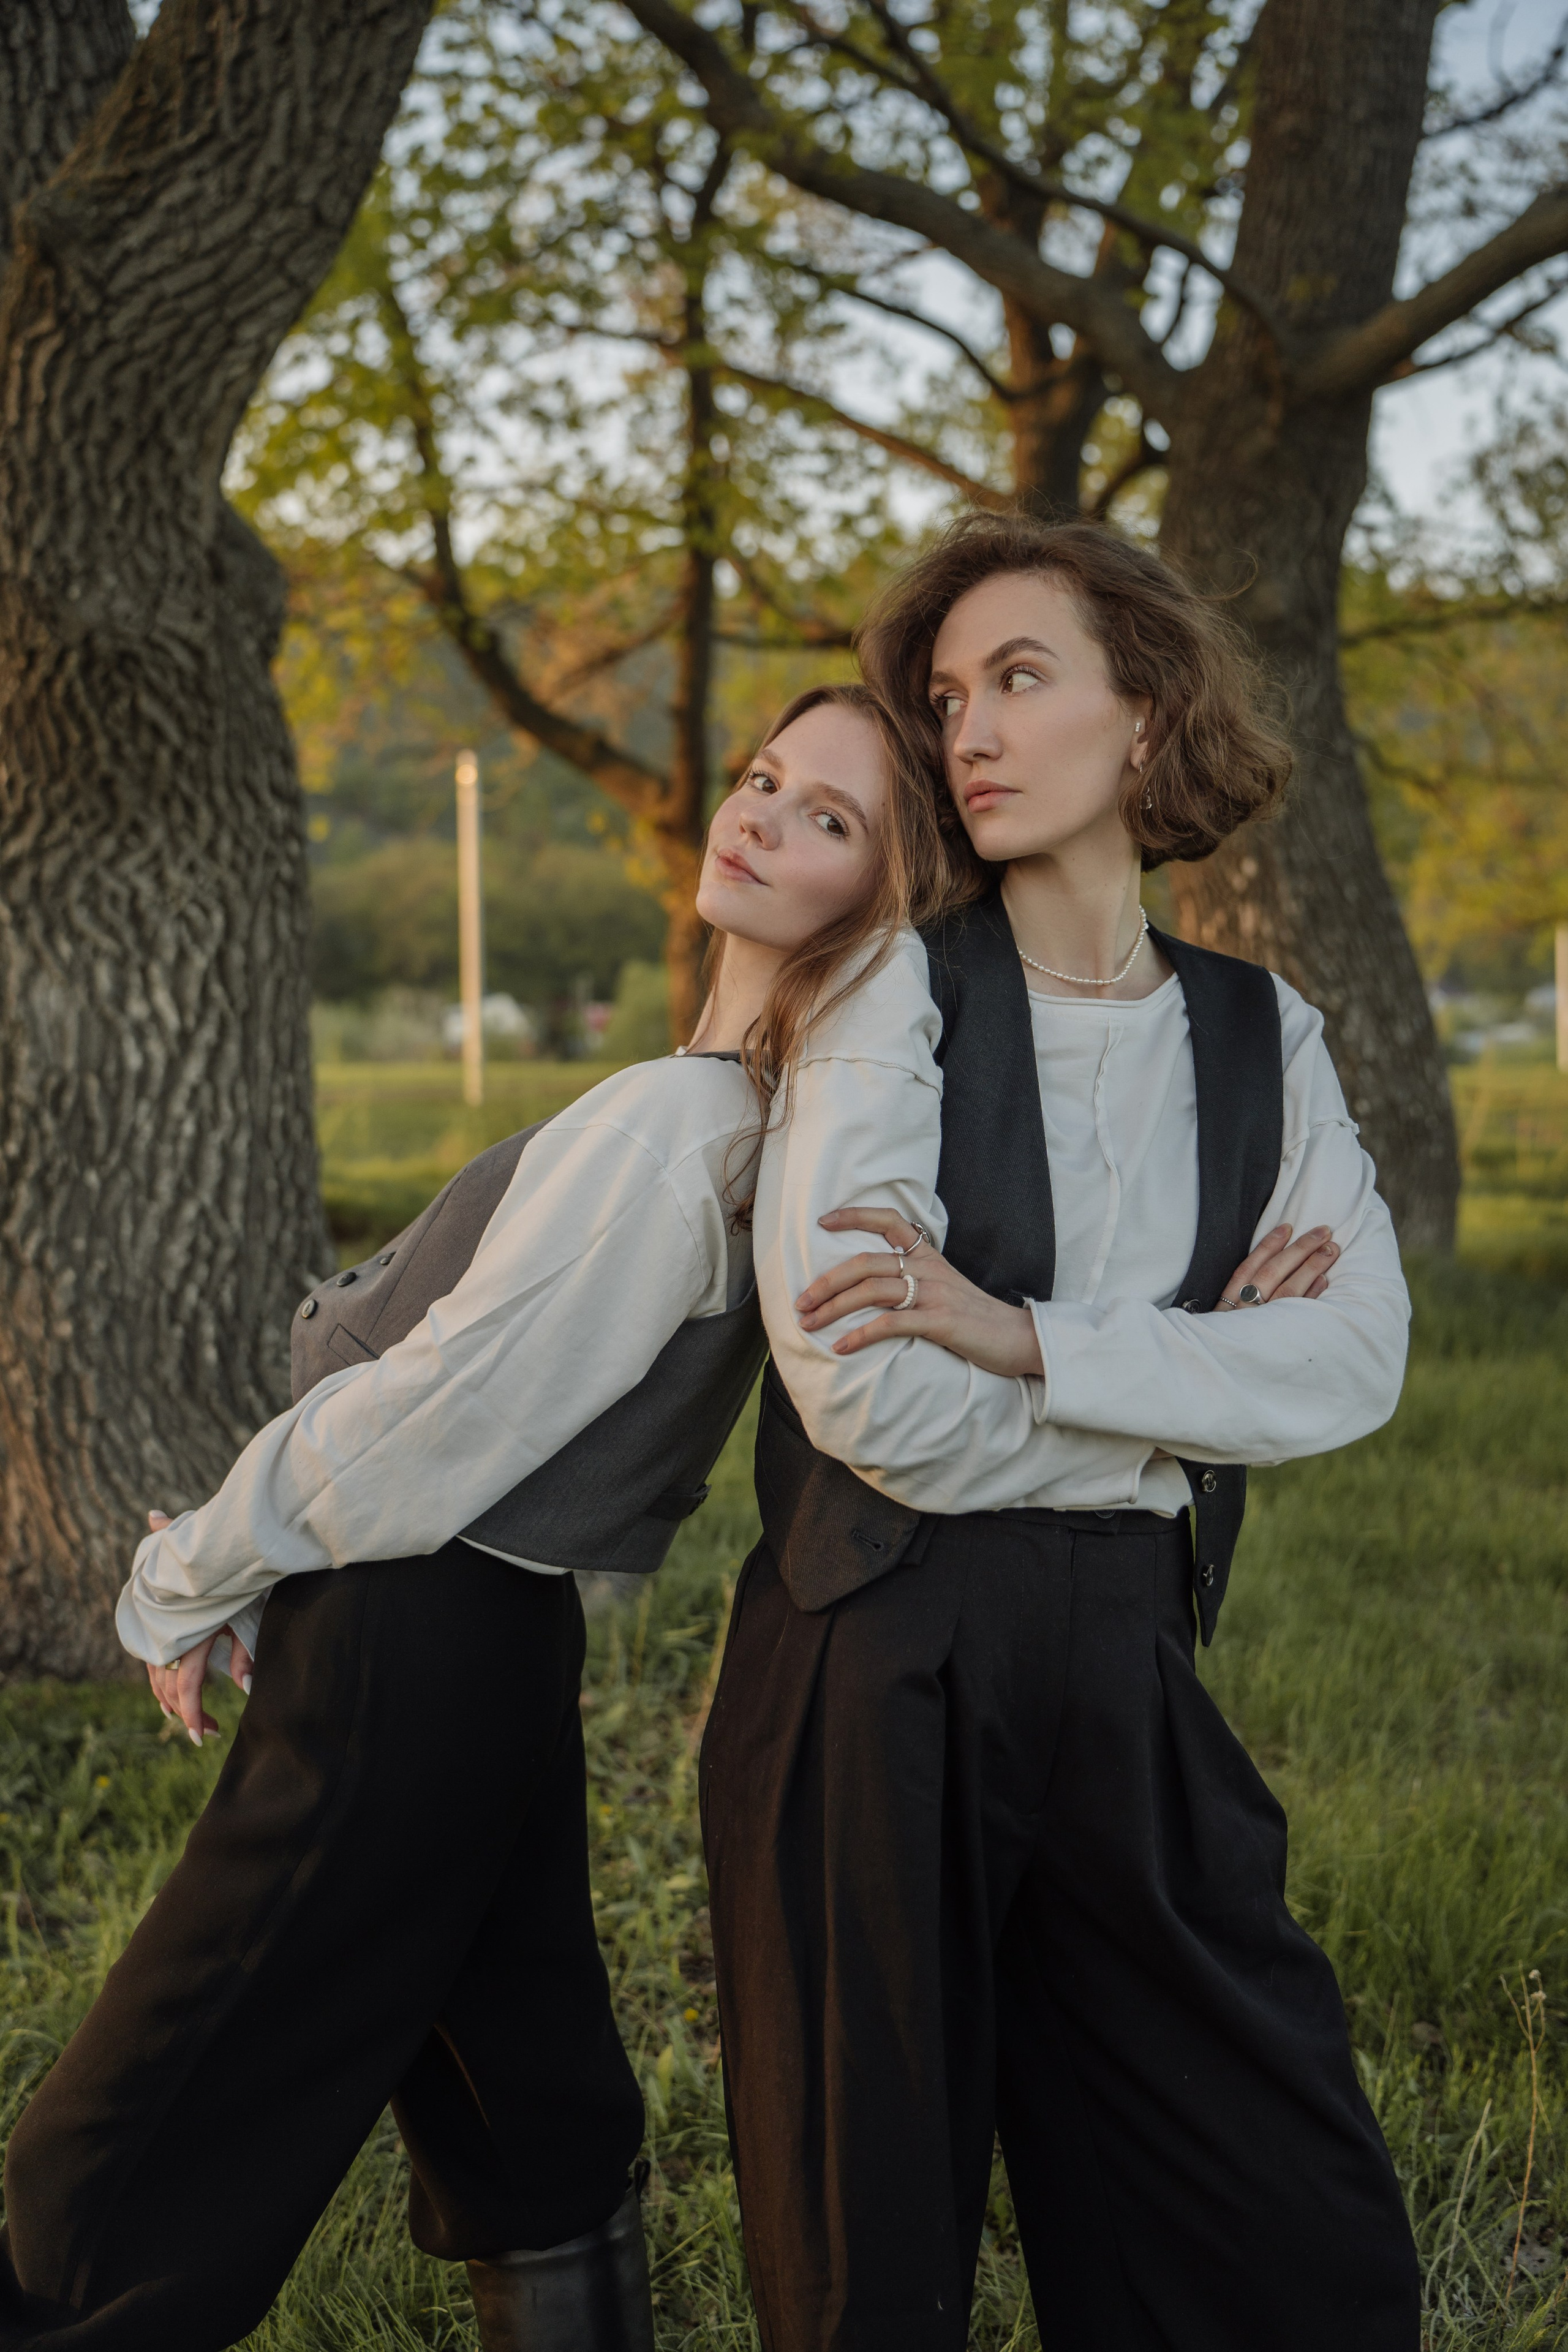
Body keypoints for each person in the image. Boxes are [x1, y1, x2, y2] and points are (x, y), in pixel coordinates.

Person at [0, 685, 963, 2352]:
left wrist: (188, 1567)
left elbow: (442, 1412)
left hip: (410, 1622)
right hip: (491, 1639)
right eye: (763, 778)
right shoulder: (739, 1112)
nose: (758, 816)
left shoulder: (687, 1130)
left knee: (144, 2115)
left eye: (829, 819)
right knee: (529, 2094)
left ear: (882, 894)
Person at [700, 516, 1422, 2352]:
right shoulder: (885, 989)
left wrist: (1023, 1335)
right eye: (948, 700)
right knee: (873, 2251)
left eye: (1022, 678)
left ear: (1150, 713)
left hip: (1128, 1652)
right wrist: (1180, 1394)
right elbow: (865, 1395)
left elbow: (1352, 1362)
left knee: (1281, 2221)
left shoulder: (1272, 1039)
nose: (973, 734)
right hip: (875, 1654)